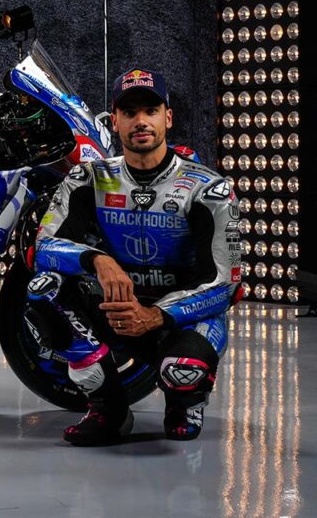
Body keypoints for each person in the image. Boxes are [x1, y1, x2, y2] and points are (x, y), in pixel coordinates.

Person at [30, 68, 240, 446]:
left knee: (184, 374)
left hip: (178, 318)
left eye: (150, 110)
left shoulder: (209, 189)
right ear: (115, 122)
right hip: (115, 309)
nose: (140, 121)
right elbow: (43, 248)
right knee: (44, 288)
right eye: (129, 112)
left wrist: (155, 316)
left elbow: (224, 284)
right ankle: (108, 408)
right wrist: (98, 260)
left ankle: (183, 402)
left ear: (167, 118)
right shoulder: (87, 178)